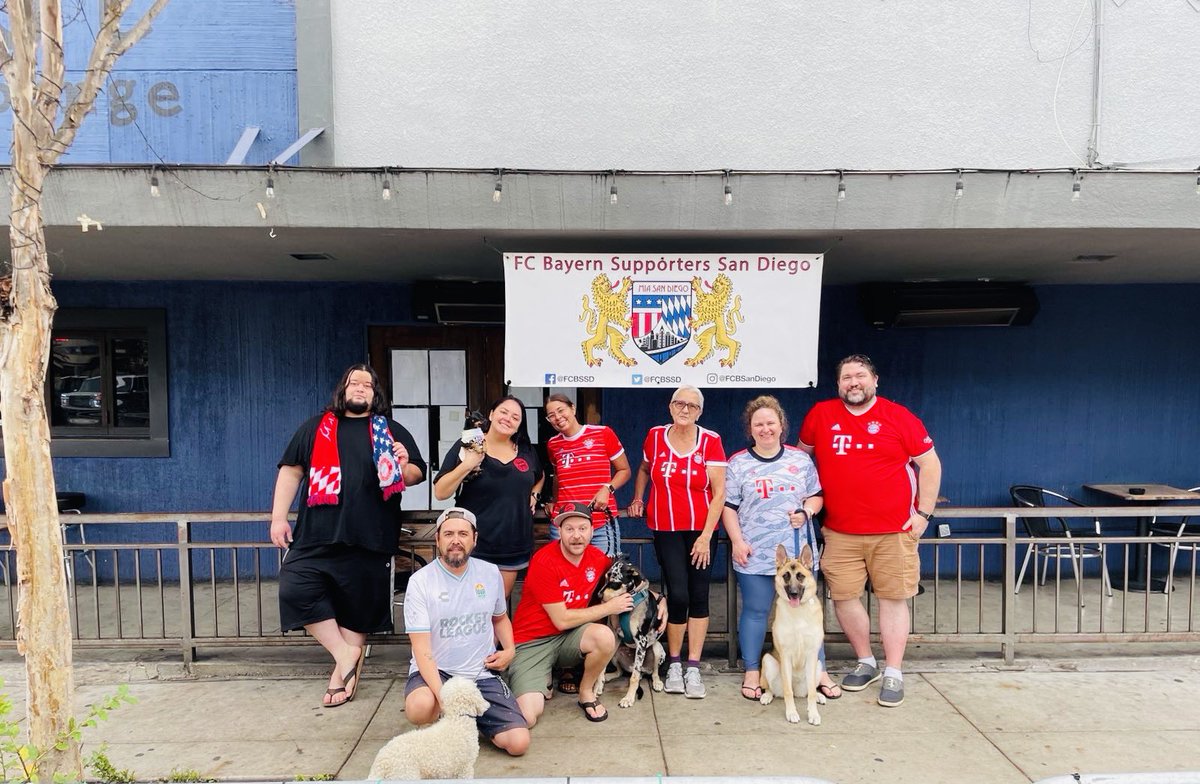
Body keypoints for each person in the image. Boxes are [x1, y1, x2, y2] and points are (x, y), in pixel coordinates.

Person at [270, 363, 426, 707]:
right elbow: (291, 471)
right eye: (354, 383)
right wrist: (278, 517)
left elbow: (416, 473)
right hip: (316, 532)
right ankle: (345, 653)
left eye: (367, 385)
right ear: (343, 390)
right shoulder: (316, 427)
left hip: (372, 533)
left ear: (375, 394)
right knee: (294, 587)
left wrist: (403, 466)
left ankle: (341, 676)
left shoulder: (390, 429)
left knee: (358, 607)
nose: (360, 388)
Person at [798, 354, 942, 708]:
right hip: (839, 530)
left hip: (893, 530)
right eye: (846, 377)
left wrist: (924, 514)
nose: (853, 382)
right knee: (844, 597)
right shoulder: (821, 415)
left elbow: (930, 464)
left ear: (875, 380)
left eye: (860, 375)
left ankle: (894, 670)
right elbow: (801, 461)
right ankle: (866, 661)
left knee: (892, 598)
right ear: (838, 384)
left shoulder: (899, 416)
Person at [721, 395, 841, 702]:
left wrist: (807, 511)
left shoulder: (800, 460)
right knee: (756, 611)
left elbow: (816, 496)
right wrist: (737, 541)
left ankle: (819, 671)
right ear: (750, 428)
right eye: (758, 424)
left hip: (798, 554)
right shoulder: (738, 463)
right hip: (755, 552)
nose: (765, 429)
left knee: (808, 614)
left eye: (770, 423)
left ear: (781, 425)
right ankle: (752, 670)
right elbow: (728, 507)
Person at [507, 503, 657, 725]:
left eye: (582, 528)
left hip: (570, 637)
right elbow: (561, 619)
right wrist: (609, 608)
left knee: (604, 637)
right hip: (533, 642)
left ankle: (586, 692)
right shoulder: (544, 561)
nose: (576, 536)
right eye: (569, 529)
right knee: (527, 717)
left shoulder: (597, 558)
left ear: (592, 531)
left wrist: (655, 598)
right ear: (559, 531)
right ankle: (539, 674)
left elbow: (627, 578)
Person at [402, 507, 530, 756]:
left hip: (480, 672)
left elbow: (500, 619)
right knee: (419, 708)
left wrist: (510, 650)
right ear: (437, 539)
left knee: (519, 743)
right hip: (439, 672)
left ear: (474, 539)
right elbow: (421, 648)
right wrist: (445, 697)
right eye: (448, 534)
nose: (456, 540)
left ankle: (467, 718)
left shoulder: (490, 573)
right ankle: (453, 714)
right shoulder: (421, 581)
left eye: (463, 534)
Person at [627, 384, 726, 699]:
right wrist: (638, 497)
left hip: (701, 531)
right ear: (670, 407)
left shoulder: (710, 441)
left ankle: (693, 666)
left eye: (692, 406)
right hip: (666, 528)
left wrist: (706, 536)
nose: (685, 409)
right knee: (678, 595)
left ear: (700, 411)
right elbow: (644, 468)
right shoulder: (656, 436)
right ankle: (674, 663)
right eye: (679, 403)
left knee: (699, 595)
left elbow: (719, 493)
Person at [433, 395, 543, 598]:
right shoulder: (468, 445)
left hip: (512, 544)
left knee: (497, 605)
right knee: (468, 604)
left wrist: (535, 494)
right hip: (474, 545)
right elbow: (440, 492)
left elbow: (540, 476)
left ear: (519, 425)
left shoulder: (526, 450)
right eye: (503, 412)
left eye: (515, 417)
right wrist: (468, 464)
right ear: (491, 414)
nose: (508, 419)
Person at [544, 393, 631, 557]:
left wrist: (607, 488)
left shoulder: (603, 433)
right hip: (565, 522)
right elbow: (557, 477)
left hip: (600, 522)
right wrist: (553, 502)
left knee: (604, 570)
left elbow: (624, 470)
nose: (558, 417)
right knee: (564, 571)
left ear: (573, 408)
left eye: (561, 410)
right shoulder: (553, 444)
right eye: (551, 415)